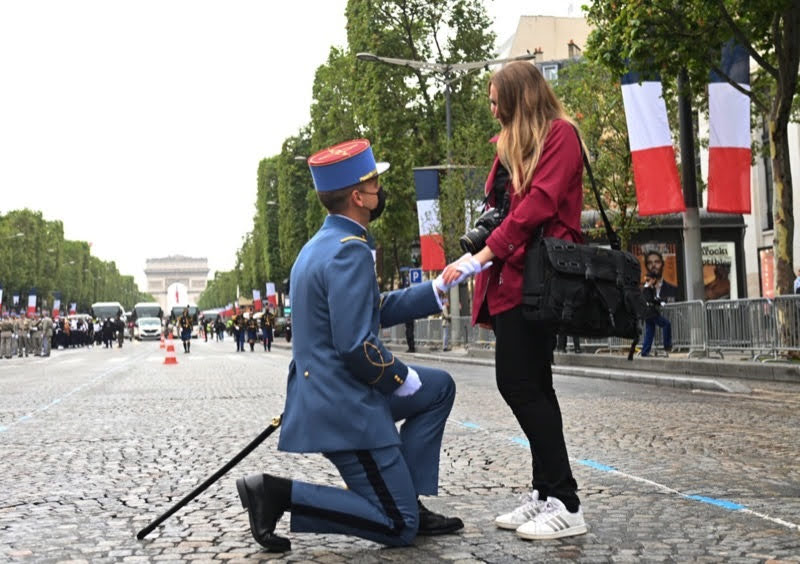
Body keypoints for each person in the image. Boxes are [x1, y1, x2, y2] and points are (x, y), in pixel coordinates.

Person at [235, 138, 469, 552]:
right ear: (358, 197)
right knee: (399, 526)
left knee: (439, 389)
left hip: (330, 393)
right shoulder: (349, 252)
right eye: (375, 185)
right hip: (344, 408)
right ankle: (277, 493)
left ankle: (407, 493)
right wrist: (400, 376)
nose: (381, 191)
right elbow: (356, 345)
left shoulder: (322, 246)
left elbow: (366, 308)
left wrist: (434, 289)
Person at [442, 61, 588, 541]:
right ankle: (546, 492)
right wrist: (481, 251)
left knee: (519, 384)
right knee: (533, 386)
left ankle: (567, 502)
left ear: (516, 97)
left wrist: (482, 255)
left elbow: (538, 206)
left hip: (538, 277)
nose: (490, 108)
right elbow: (502, 211)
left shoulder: (562, 135)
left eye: (494, 99)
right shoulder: (508, 146)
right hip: (510, 278)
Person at [640, 270, 673, 357]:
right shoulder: (646, 289)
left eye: (649, 279)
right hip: (651, 313)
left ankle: (645, 352)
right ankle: (667, 346)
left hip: (649, 314)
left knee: (649, 332)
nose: (649, 281)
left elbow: (655, 298)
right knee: (666, 324)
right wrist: (659, 302)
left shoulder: (651, 288)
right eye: (648, 280)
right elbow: (650, 300)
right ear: (653, 280)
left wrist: (659, 301)